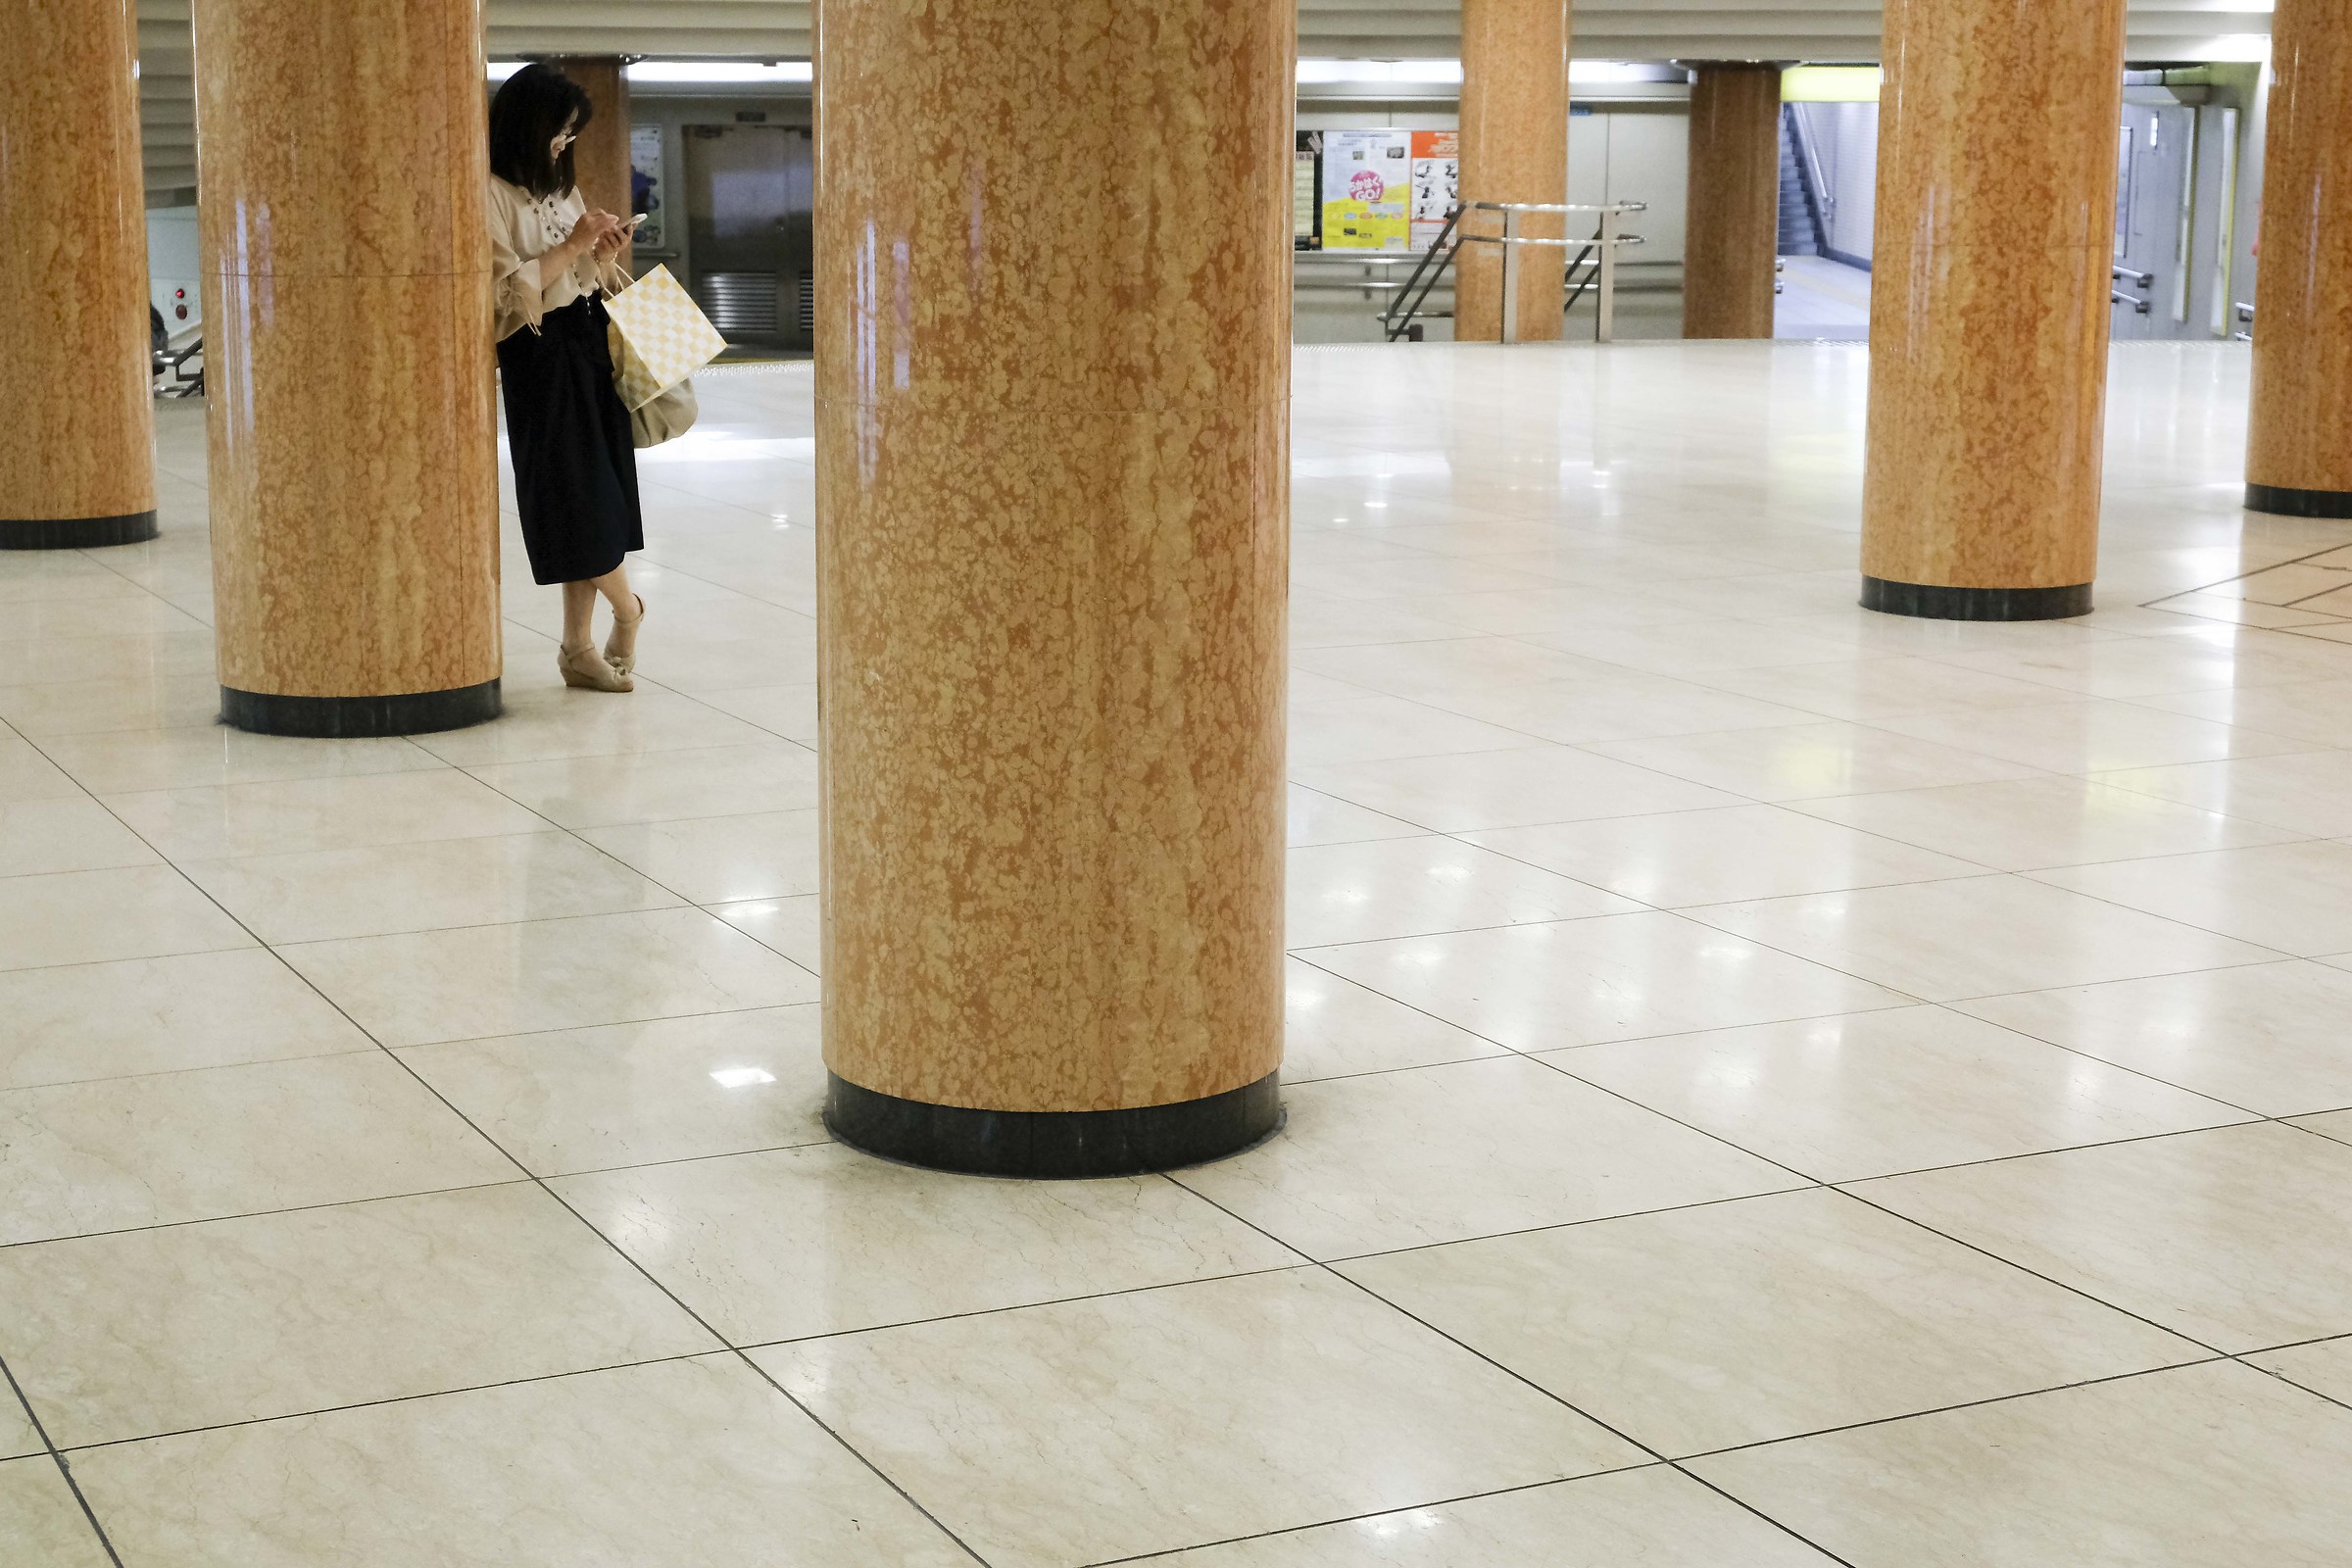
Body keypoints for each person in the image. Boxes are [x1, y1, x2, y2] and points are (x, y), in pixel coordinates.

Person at [487, 62, 647, 693]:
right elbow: (508, 294)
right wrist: (576, 244)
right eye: (559, 133)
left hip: (587, 342)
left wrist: (601, 253)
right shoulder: (490, 193)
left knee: (601, 493)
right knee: (572, 498)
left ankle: (577, 649)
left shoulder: (557, 188)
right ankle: (629, 612)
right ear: (528, 126)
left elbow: (579, 277)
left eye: (571, 136)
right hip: (539, 356)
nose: (564, 146)